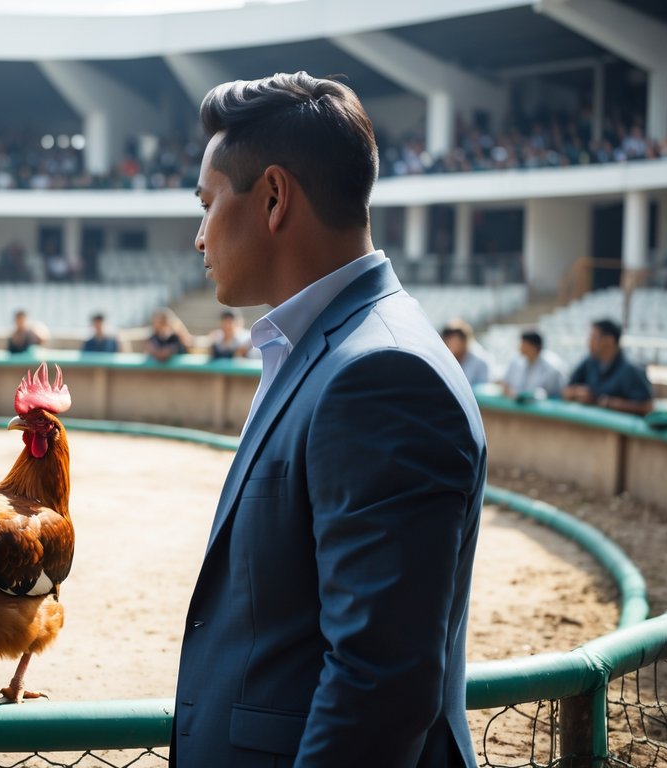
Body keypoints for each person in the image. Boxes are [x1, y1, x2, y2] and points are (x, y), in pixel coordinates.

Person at [175, 73, 485, 768]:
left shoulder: (376, 376)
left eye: (206, 203)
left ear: (274, 198)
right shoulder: (338, 348)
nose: (198, 236)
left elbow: (379, 684)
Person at [562, 318, 654, 415]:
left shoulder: (631, 369)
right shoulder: (589, 362)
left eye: (593, 338)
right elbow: (566, 391)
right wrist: (577, 393)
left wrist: (610, 403)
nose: (589, 342)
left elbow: (647, 406)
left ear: (609, 340)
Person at [499, 330, 565, 399]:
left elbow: (553, 394)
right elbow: (505, 384)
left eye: (523, 343)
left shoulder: (552, 366)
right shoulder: (516, 362)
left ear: (534, 346)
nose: (520, 347)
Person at [441, 320, 493, 387]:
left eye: (456, 341)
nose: (452, 344)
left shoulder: (480, 361)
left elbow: (482, 389)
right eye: (449, 339)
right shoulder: (445, 360)